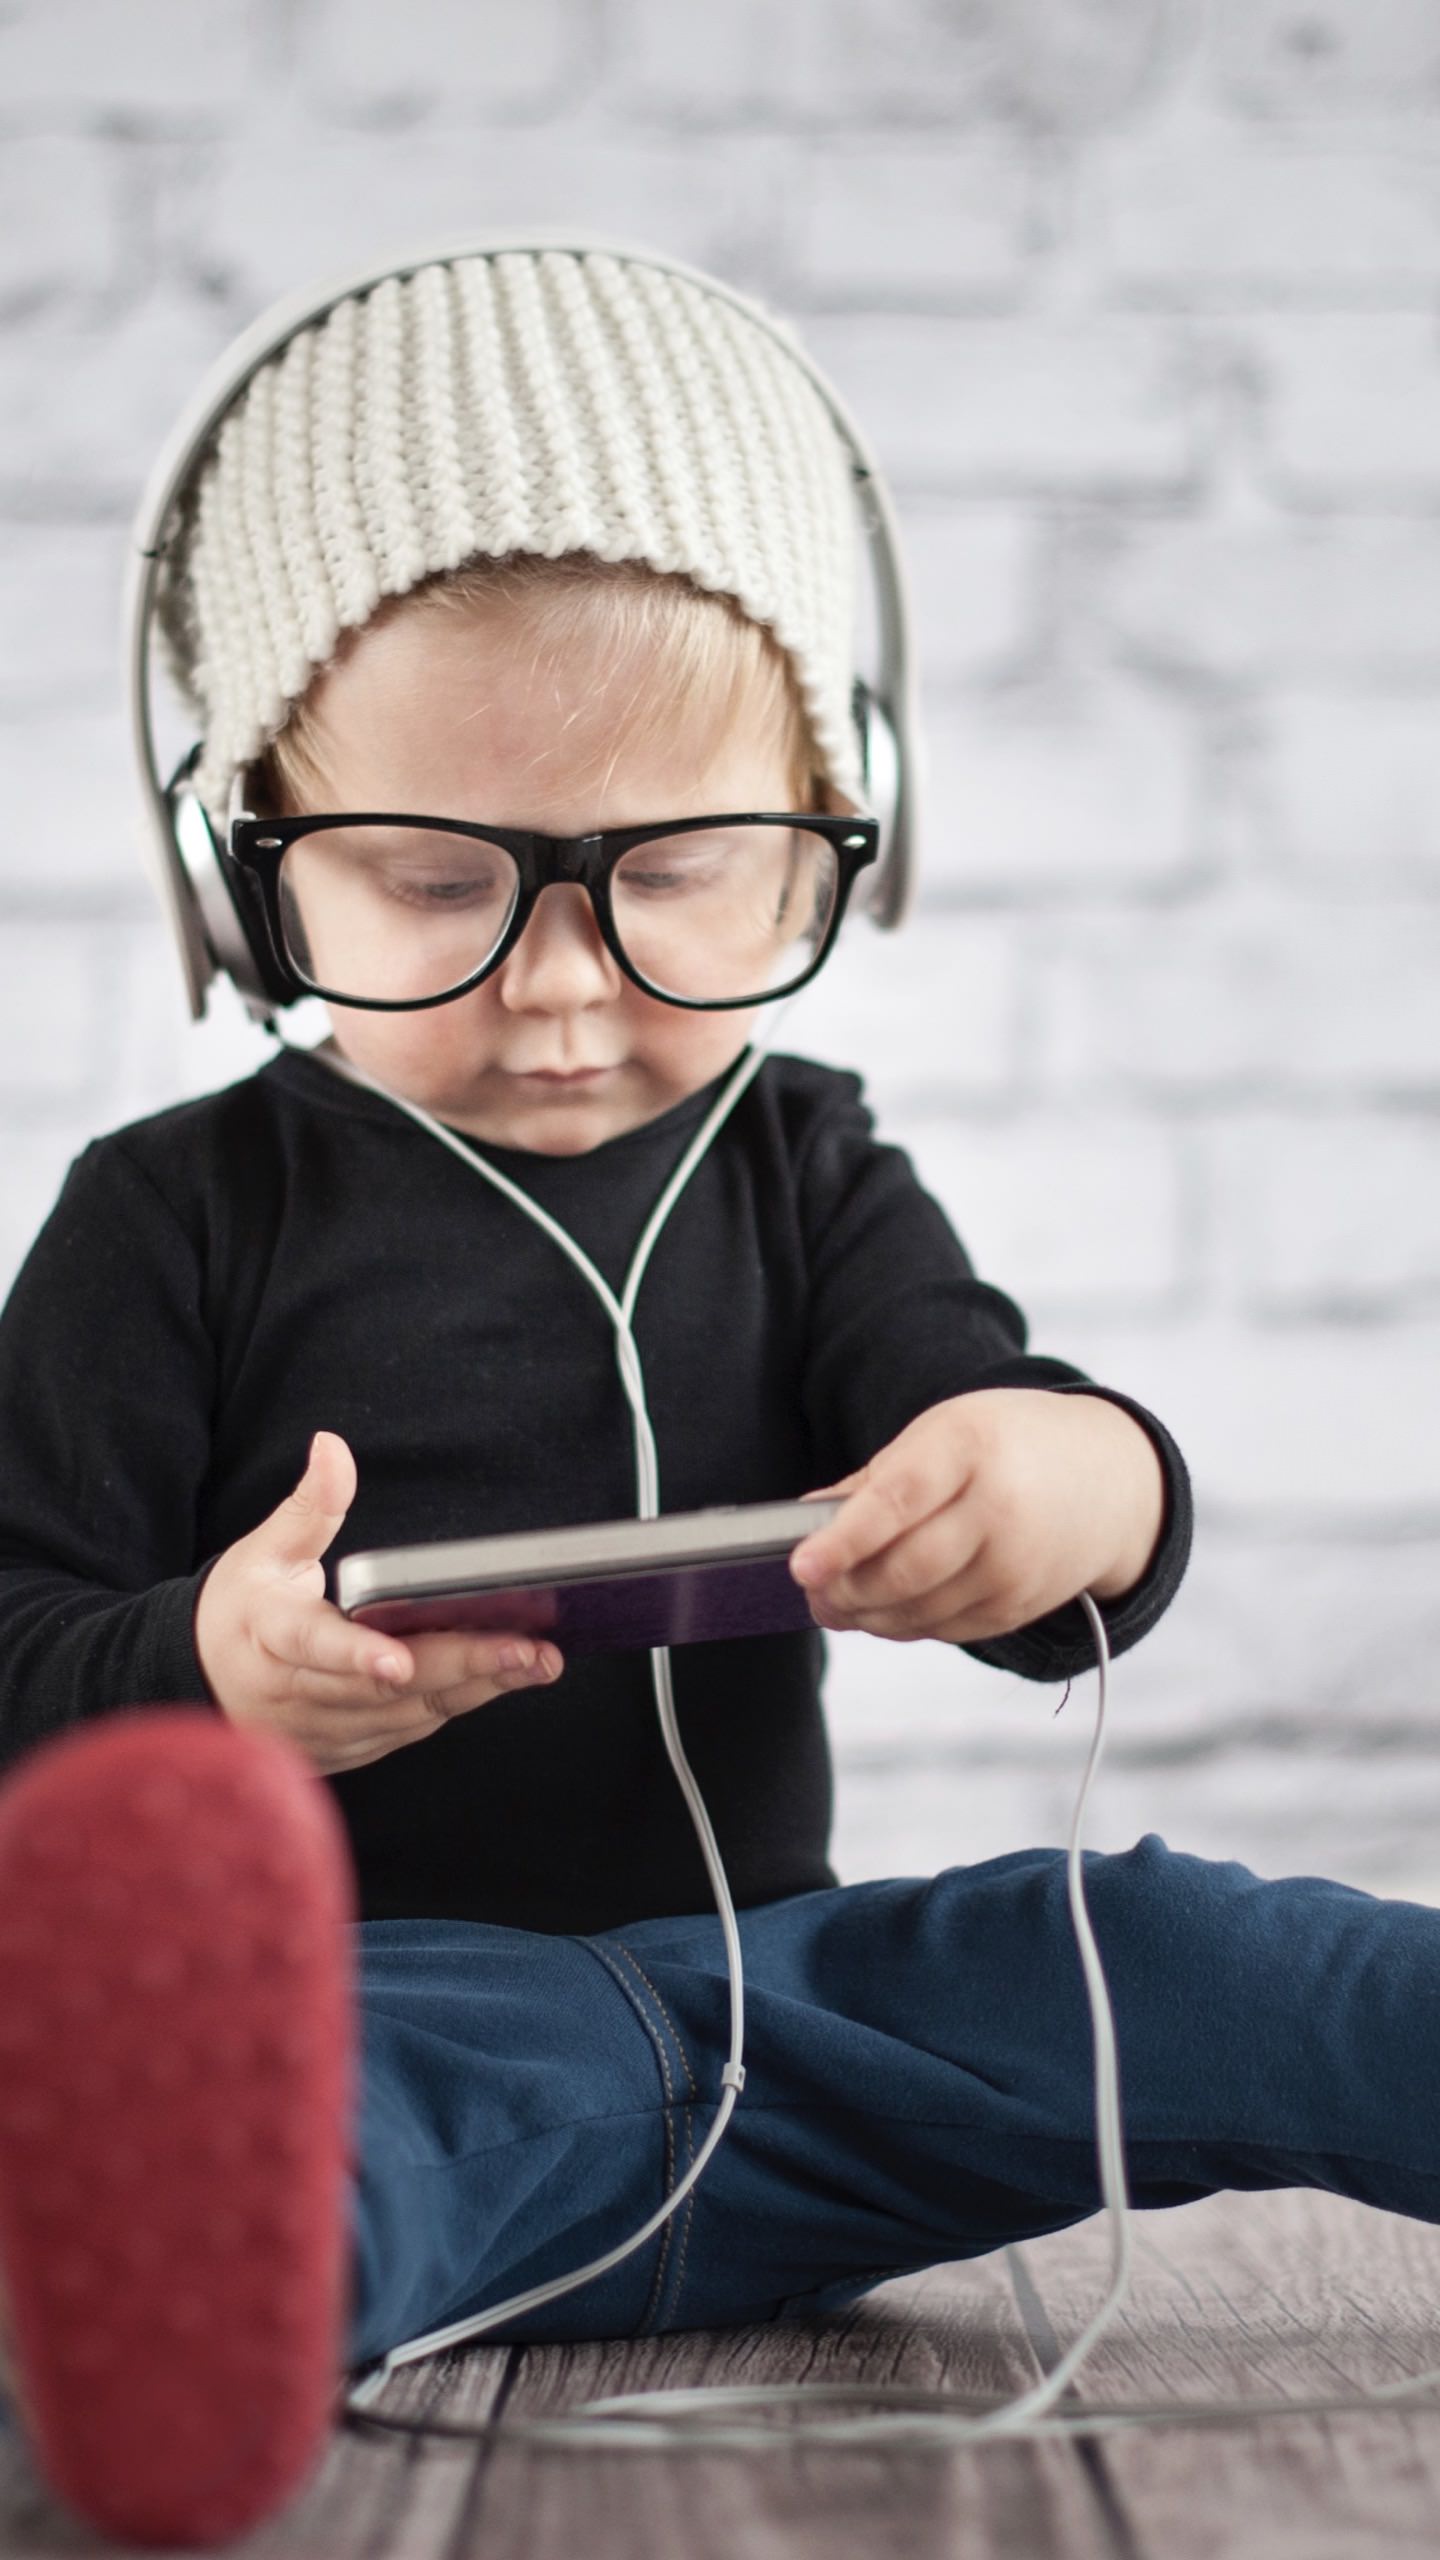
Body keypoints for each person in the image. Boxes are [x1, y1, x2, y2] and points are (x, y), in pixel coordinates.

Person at [0, 244, 1432, 2552]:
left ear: (839, 817)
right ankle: (176, 2299)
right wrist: (210, 1675)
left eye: (673, 875)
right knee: (331, 2122)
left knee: (1183, 1947)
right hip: (410, 2023)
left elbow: (1013, 1443)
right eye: (430, 883)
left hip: (808, 2026)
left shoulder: (810, 1160)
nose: (564, 992)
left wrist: (1069, 1483)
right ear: (234, 855)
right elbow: (14, 1655)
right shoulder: (173, 1217)